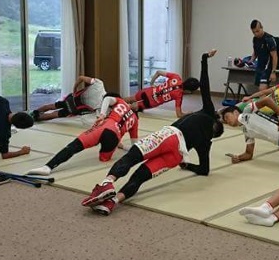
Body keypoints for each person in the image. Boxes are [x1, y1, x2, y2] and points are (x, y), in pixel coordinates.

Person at [80, 50, 223, 216]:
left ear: (216, 120)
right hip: (176, 156)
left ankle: (107, 183)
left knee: (132, 156)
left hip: (169, 136)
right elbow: (204, 169)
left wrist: (204, 58)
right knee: (140, 177)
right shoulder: (206, 143)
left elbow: (204, 84)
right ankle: (112, 202)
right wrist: (186, 165)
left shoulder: (207, 112)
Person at [27, 93, 141, 176]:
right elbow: (134, 146)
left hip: (103, 126)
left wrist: (102, 115)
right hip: (114, 137)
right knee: (103, 159)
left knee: (74, 146)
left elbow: (107, 99)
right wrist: (122, 146)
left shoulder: (120, 102)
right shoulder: (135, 120)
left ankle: (48, 167)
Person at [125, 70, 200, 118]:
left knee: (131, 98)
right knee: (133, 107)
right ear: (189, 91)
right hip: (151, 102)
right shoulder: (179, 96)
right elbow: (179, 114)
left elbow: (158, 72)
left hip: (148, 92)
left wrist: (152, 83)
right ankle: (124, 109)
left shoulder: (176, 77)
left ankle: (118, 102)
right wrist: (188, 113)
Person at [31, 76, 106, 121]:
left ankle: (34, 112)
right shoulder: (101, 106)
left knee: (52, 106)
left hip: (71, 99)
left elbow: (81, 78)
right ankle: (35, 118)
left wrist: (74, 89)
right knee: (53, 115)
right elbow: (98, 117)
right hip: (74, 109)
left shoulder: (99, 84)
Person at [250, 19, 278, 90]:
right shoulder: (255, 39)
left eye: (257, 31)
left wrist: (273, 72)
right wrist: (251, 61)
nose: (256, 34)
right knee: (261, 92)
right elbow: (255, 52)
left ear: (261, 27)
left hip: (267, 68)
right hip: (259, 67)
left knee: (262, 90)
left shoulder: (269, 39)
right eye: (253, 32)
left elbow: (274, 56)